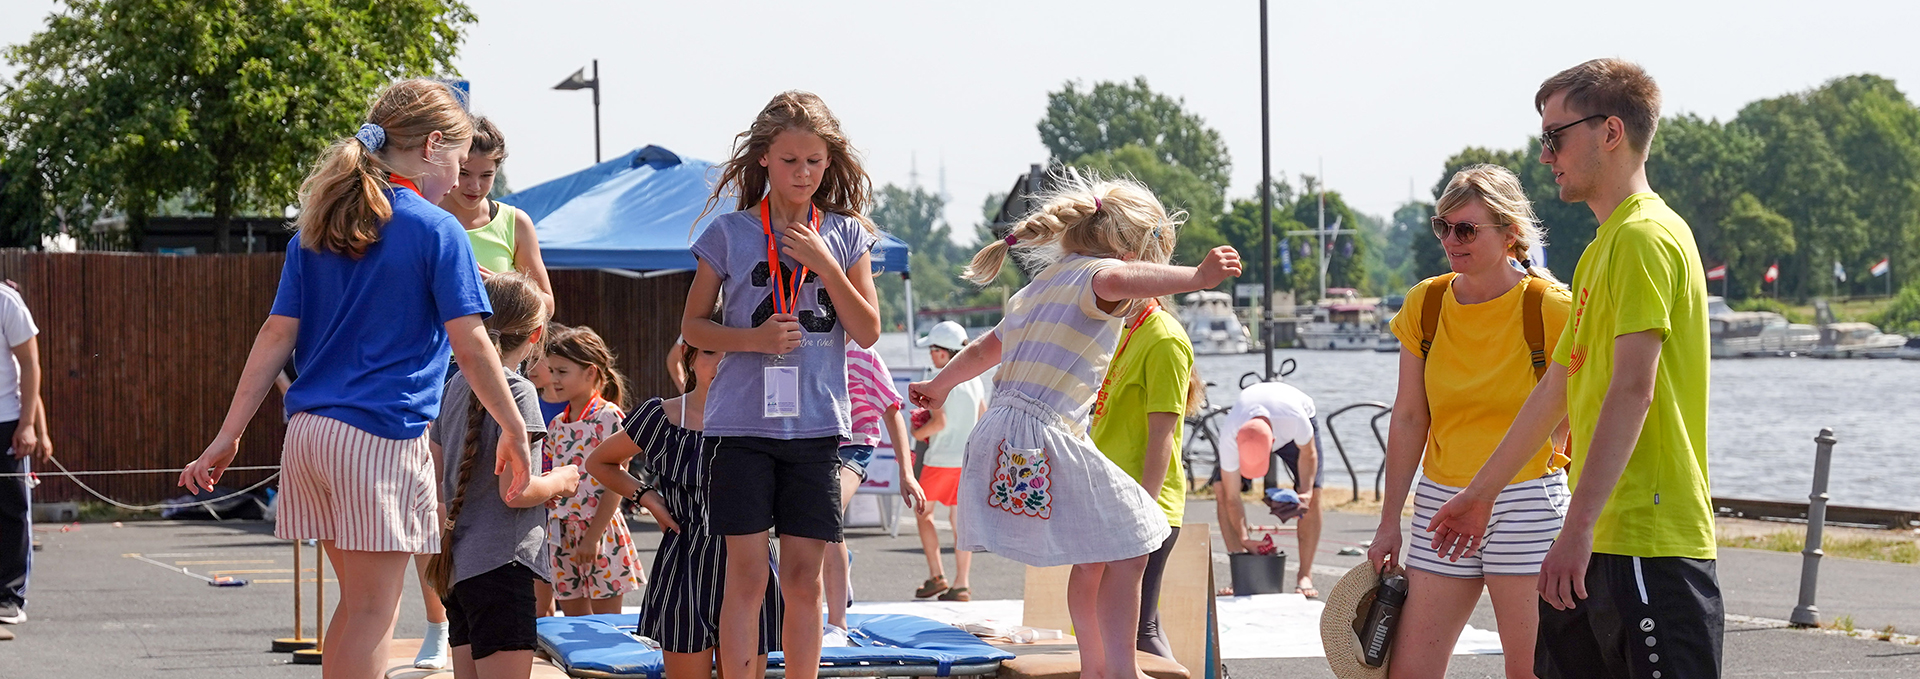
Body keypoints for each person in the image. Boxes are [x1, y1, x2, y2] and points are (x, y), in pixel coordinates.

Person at [181, 79, 530, 679]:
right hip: (379, 435)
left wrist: (228, 433)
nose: (461, 178)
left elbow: (273, 338)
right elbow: (472, 347)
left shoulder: (319, 227)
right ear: (433, 146)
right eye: (458, 160)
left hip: (311, 434)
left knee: (358, 605)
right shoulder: (433, 227)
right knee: (375, 609)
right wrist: (517, 428)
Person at [1427, 59, 1720, 679]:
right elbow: (1558, 387)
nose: (1544, 155)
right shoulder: (1601, 249)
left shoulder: (1644, 238)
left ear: (1610, 132)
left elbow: (1633, 389)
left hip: (1647, 537)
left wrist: (1577, 527)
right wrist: (1479, 497)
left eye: (1555, 136)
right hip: (1601, 539)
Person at [909, 172, 1241, 679]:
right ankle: (1118, 671)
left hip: (1004, 441)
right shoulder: (1099, 275)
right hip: (1044, 437)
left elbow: (983, 349)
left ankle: (1096, 668)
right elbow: (1121, 280)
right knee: (1137, 541)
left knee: (1096, 556)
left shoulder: (1040, 285)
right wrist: (1195, 277)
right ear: (1135, 249)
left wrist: (941, 386)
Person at [681, 91, 883, 679]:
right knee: (745, 576)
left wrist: (824, 265)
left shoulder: (846, 235)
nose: (803, 173)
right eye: (790, 160)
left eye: (814, 161)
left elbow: (868, 331)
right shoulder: (729, 233)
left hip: (818, 427)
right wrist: (753, 340)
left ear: (829, 162)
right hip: (740, 426)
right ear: (764, 159)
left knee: (804, 578)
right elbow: (692, 326)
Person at [1369, 165, 1573, 678]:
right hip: (1442, 502)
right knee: (1408, 671)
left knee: (1529, 672)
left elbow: (1580, 411)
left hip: (1526, 500)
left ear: (1510, 234)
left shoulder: (1550, 307)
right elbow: (1411, 416)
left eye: (1466, 229)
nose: (1451, 240)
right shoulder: (1427, 302)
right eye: (1443, 227)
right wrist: (1389, 519)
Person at [585, 334, 782, 679]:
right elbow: (599, 462)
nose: (720, 361)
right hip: (685, 561)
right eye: (709, 350)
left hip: (750, 561)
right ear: (689, 357)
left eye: (732, 352)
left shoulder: (766, 415)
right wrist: (648, 498)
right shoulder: (661, 416)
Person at [423, 272, 583, 679]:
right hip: (501, 564)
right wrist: (562, 480)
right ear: (536, 335)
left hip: (456, 568)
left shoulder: (455, 385)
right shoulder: (519, 391)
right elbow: (516, 491)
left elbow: (437, 478)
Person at [1086, 299, 1196, 658]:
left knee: (1139, 630)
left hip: (1142, 503)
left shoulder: (1163, 337)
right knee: (1130, 626)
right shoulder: (1126, 329)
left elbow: (1163, 434)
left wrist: (1144, 510)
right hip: (1113, 496)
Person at [826, 338, 926, 628]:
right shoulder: (809, 347)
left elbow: (893, 413)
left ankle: (837, 623)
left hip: (855, 445)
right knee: (811, 528)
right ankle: (841, 565)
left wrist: (906, 473)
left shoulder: (864, 355)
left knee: (827, 509)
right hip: (816, 444)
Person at [543, 326, 642, 616]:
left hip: (601, 530)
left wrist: (593, 536)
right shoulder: (557, 425)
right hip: (561, 534)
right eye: (552, 370)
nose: (554, 379)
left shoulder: (609, 417)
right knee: (573, 630)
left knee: (606, 631)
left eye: (562, 371)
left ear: (590, 372)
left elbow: (617, 482)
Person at [1216, 380, 1324, 597]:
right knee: (1221, 490)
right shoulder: (1229, 436)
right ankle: (1240, 570)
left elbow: (1309, 454)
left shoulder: (1294, 420)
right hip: (1252, 421)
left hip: (1293, 421)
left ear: (1274, 442)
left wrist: (1305, 493)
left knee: (1315, 494)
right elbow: (1232, 497)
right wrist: (1245, 538)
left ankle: (1305, 575)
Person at [437, 116, 554, 314]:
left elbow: (548, 306)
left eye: (486, 175)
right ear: (450, 165)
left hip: (497, 345)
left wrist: (502, 288)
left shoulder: (516, 223)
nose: (475, 186)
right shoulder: (423, 219)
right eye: (464, 173)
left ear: (497, 171)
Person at [907, 320, 984, 602]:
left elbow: (939, 422)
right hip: (965, 461)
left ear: (943, 352)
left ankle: (936, 574)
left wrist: (916, 431)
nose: (930, 355)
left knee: (923, 514)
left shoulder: (941, 380)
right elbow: (983, 416)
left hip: (939, 460)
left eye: (933, 349)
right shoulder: (975, 381)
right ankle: (961, 583)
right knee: (959, 522)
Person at [0, 279, 43, 634]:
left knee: (11, 508)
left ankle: (9, 596)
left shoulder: (6, 301)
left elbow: (30, 365)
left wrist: (28, 425)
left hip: (5, 421)